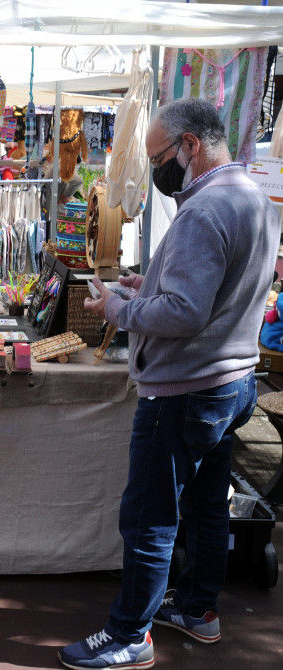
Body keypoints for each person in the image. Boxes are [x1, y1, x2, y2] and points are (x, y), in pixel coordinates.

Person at [60, 97, 278, 670]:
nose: (155, 168)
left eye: (158, 156)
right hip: (232, 380)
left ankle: (129, 633)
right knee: (207, 505)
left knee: (150, 516)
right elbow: (222, 286)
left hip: (188, 389)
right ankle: (199, 609)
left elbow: (183, 313)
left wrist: (117, 308)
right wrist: (148, 279)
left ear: (190, 147)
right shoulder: (253, 196)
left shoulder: (205, 210)